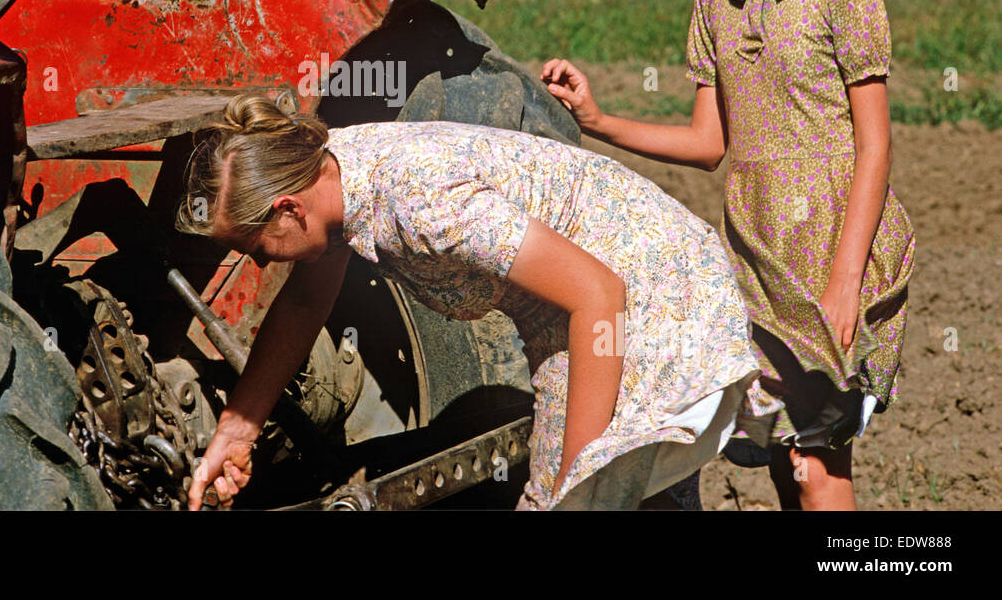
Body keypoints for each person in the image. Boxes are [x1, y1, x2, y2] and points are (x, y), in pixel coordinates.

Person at [542, 0, 914, 510]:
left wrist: (843, 282)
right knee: (778, 453)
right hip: (751, 253)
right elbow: (708, 144)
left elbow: (876, 146)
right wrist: (596, 119)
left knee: (816, 460)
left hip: (834, 247)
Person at [178, 95, 771, 511]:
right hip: (587, 305)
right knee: (644, 497)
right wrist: (236, 431)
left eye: (257, 248)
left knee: (580, 498)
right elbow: (306, 304)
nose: (261, 263)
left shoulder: (423, 203)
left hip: (646, 292)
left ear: (288, 208)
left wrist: (576, 481)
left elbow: (599, 293)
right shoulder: (332, 172)